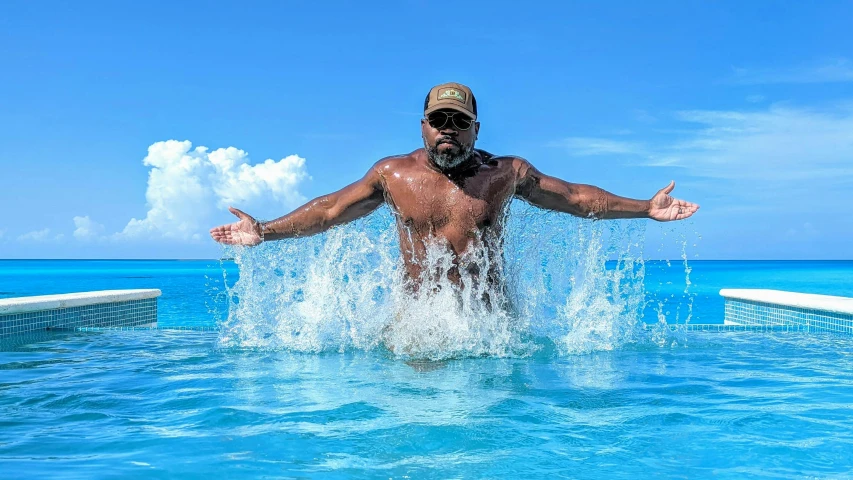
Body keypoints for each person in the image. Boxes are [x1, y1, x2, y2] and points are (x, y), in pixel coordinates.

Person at [210, 82, 699, 294]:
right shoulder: (392, 174)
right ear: (423, 125)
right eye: (439, 120)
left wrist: (644, 209)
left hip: (490, 331)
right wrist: (265, 231)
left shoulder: (506, 173)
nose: (449, 129)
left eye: (458, 122)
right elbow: (330, 209)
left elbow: (573, 198)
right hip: (420, 330)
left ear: (476, 129)